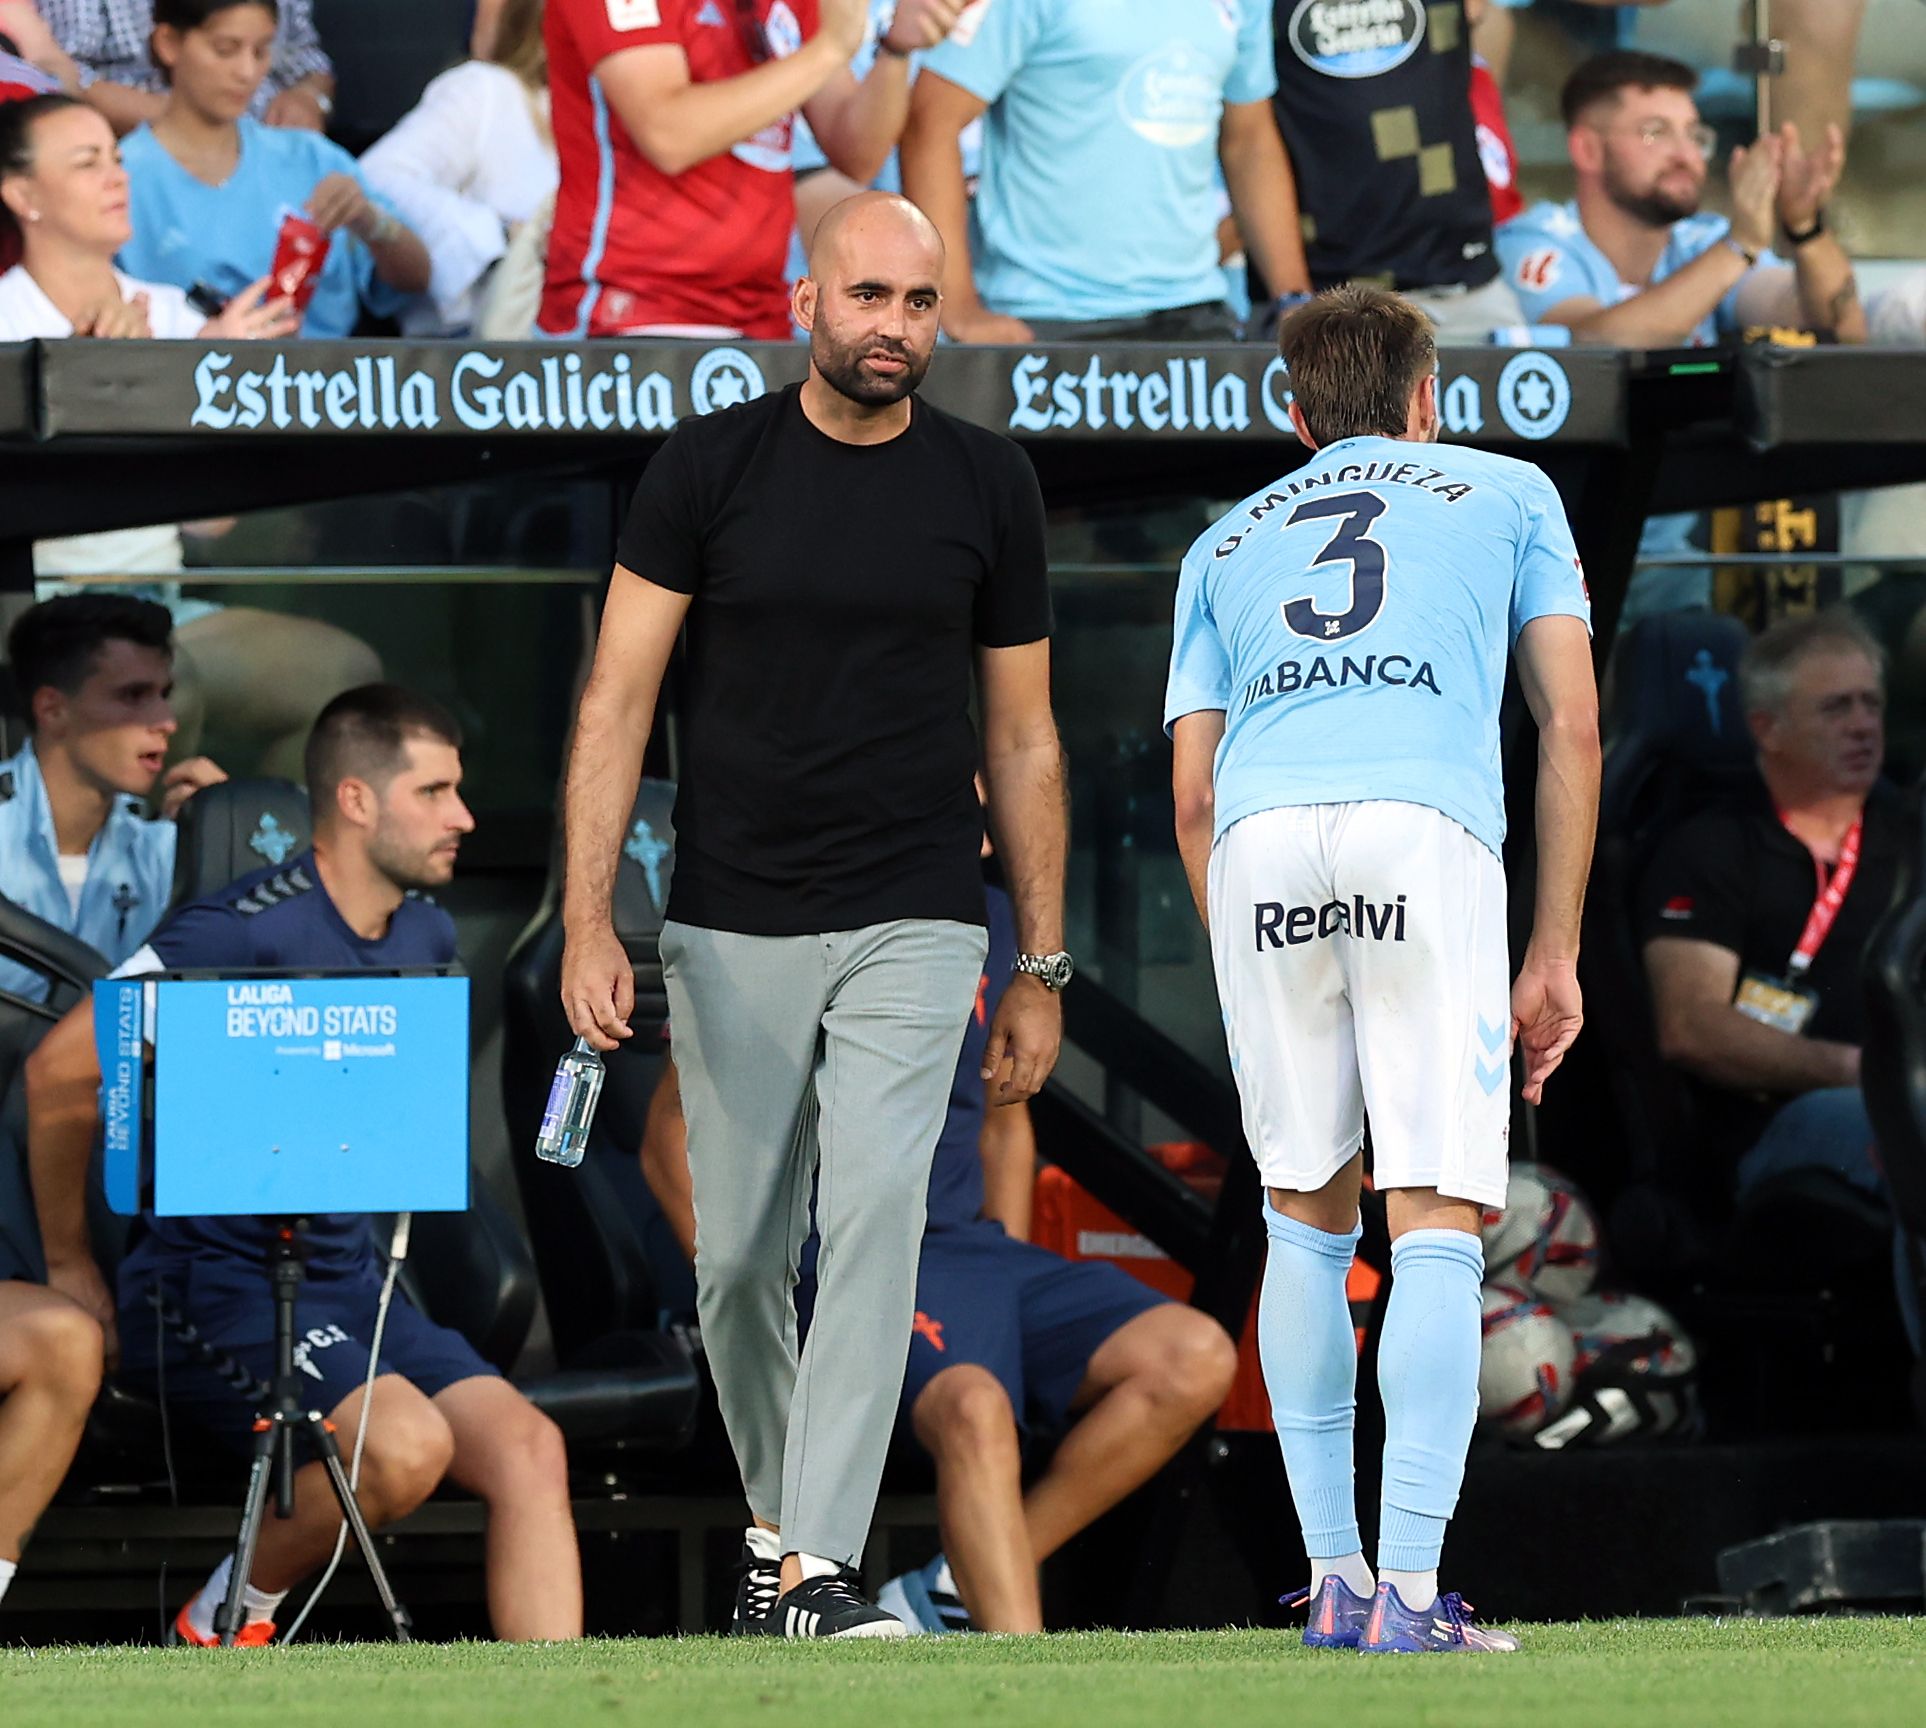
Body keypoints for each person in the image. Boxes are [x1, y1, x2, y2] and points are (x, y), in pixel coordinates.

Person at [561, 191, 1066, 1637]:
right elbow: (615, 699)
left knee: (870, 1221)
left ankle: (815, 1568)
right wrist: (595, 920)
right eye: (868, 298)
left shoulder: (987, 482)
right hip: (729, 917)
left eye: (918, 304)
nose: (895, 328)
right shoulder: (705, 468)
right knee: (734, 1260)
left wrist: (1036, 956)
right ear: (802, 303)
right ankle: (784, 1527)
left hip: (919, 906)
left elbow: (1022, 738)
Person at [1167, 285, 1600, 1653]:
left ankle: (1333, 1579)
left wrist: (1244, 933)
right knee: (1434, 1217)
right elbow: (1569, 730)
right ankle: (1411, 1593)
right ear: (1428, 398)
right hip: (1423, 832)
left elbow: (1188, 795)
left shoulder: (1221, 540)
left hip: (1259, 842)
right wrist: (1552, 949)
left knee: (1302, 1215)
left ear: (1292, 415)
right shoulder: (1510, 489)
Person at [24, 684, 583, 1646]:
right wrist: (72, 1263)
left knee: (531, 1446)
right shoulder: (237, 928)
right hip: (216, 1289)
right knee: (406, 1448)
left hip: (354, 1285)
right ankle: (225, 1618)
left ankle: (570, 1711)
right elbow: (61, 1070)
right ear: (358, 800)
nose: (465, 818)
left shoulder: (426, 933)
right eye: (437, 791)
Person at [641, 876, 1236, 1635]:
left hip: (975, 1250)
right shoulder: (788, 906)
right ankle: (1019, 1681)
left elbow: (1005, 1126)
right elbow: (668, 1138)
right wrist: (761, 1306)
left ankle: (952, 1584)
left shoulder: (992, 921)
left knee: (1195, 1355)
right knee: (976, 1407)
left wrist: (1003, 1274)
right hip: (843, 1252)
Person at [1638, 611, 1921, 1351]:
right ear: (1766, 728)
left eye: (1871, 704)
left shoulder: (1909, 840)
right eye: (1836, 708)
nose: (1863, 726)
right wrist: (1869, 1074)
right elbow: (1691, 1028)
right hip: (1778, 1124)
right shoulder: (1712, 848)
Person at [539, 0, 964, 341]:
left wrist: (895, 50)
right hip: (630, 312)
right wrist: (832, 47)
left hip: (761, 317)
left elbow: (857, 152)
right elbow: (667, 133)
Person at [898, 0, 1310, 344]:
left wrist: (1293, 298)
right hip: (1043, 317)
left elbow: (1249, 140)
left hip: (1195, 313)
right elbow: (930, 122)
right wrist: (958, 307)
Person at [1495, 51, 1866, 347]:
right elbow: (1596, 344)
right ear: (1587, 150)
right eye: (1655, 133)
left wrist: (1805, 227)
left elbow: (1841, 330)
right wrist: (1739, 246)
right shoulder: (1532, 241)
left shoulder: (1703, 240)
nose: (1685, 154)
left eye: (1694, 135)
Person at [115, 0, 430, 341]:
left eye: (262, 51)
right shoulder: (121, 176)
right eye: (225, 50)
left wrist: (370, 220)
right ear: (169, 44)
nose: (247, 72)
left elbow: (416, 278)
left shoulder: (310, 158)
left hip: (324, 382)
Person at [0, 596, 227, 1002]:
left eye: (164, 694)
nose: (167, 722)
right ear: (52, 710)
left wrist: (224, 839)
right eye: (133, 696)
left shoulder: (168, 847)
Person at [1261, 0, 1527, 340]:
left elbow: (1487, 17)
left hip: (1464, 286)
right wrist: (1291, 296)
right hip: (1330, 299)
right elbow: (1248, 139)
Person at [359, 0, 556, 339]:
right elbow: (376, 178)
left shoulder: (627, 120)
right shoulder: (486, 90)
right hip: (471, 357)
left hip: (590, 353)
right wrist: (501, 237)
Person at [40, 0, 334, 135]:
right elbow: (57, 75)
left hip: (271, 149)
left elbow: (303, 53)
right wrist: (187, 124)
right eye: (225, 49)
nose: (246, 70)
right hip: (143, 151)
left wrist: (310, 97)